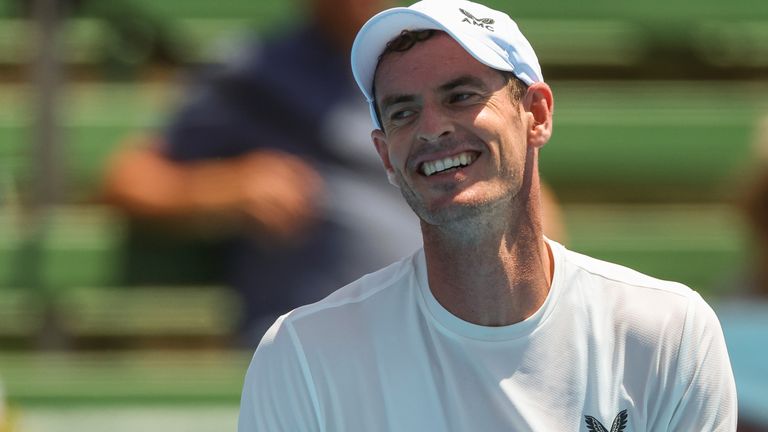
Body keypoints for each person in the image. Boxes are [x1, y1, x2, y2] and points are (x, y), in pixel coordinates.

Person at [237, 0, 737, 430]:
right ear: (386, 155)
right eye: (403, 112)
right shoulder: (301, 355)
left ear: (537, 114)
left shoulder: (671, 332)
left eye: (461, 96)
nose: (432, 128)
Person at [101, 0, 424, 341]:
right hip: (314, 356)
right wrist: (227, 188)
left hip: (441, 345)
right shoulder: (254, 73)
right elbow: (130, 181)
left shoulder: (444, 64)